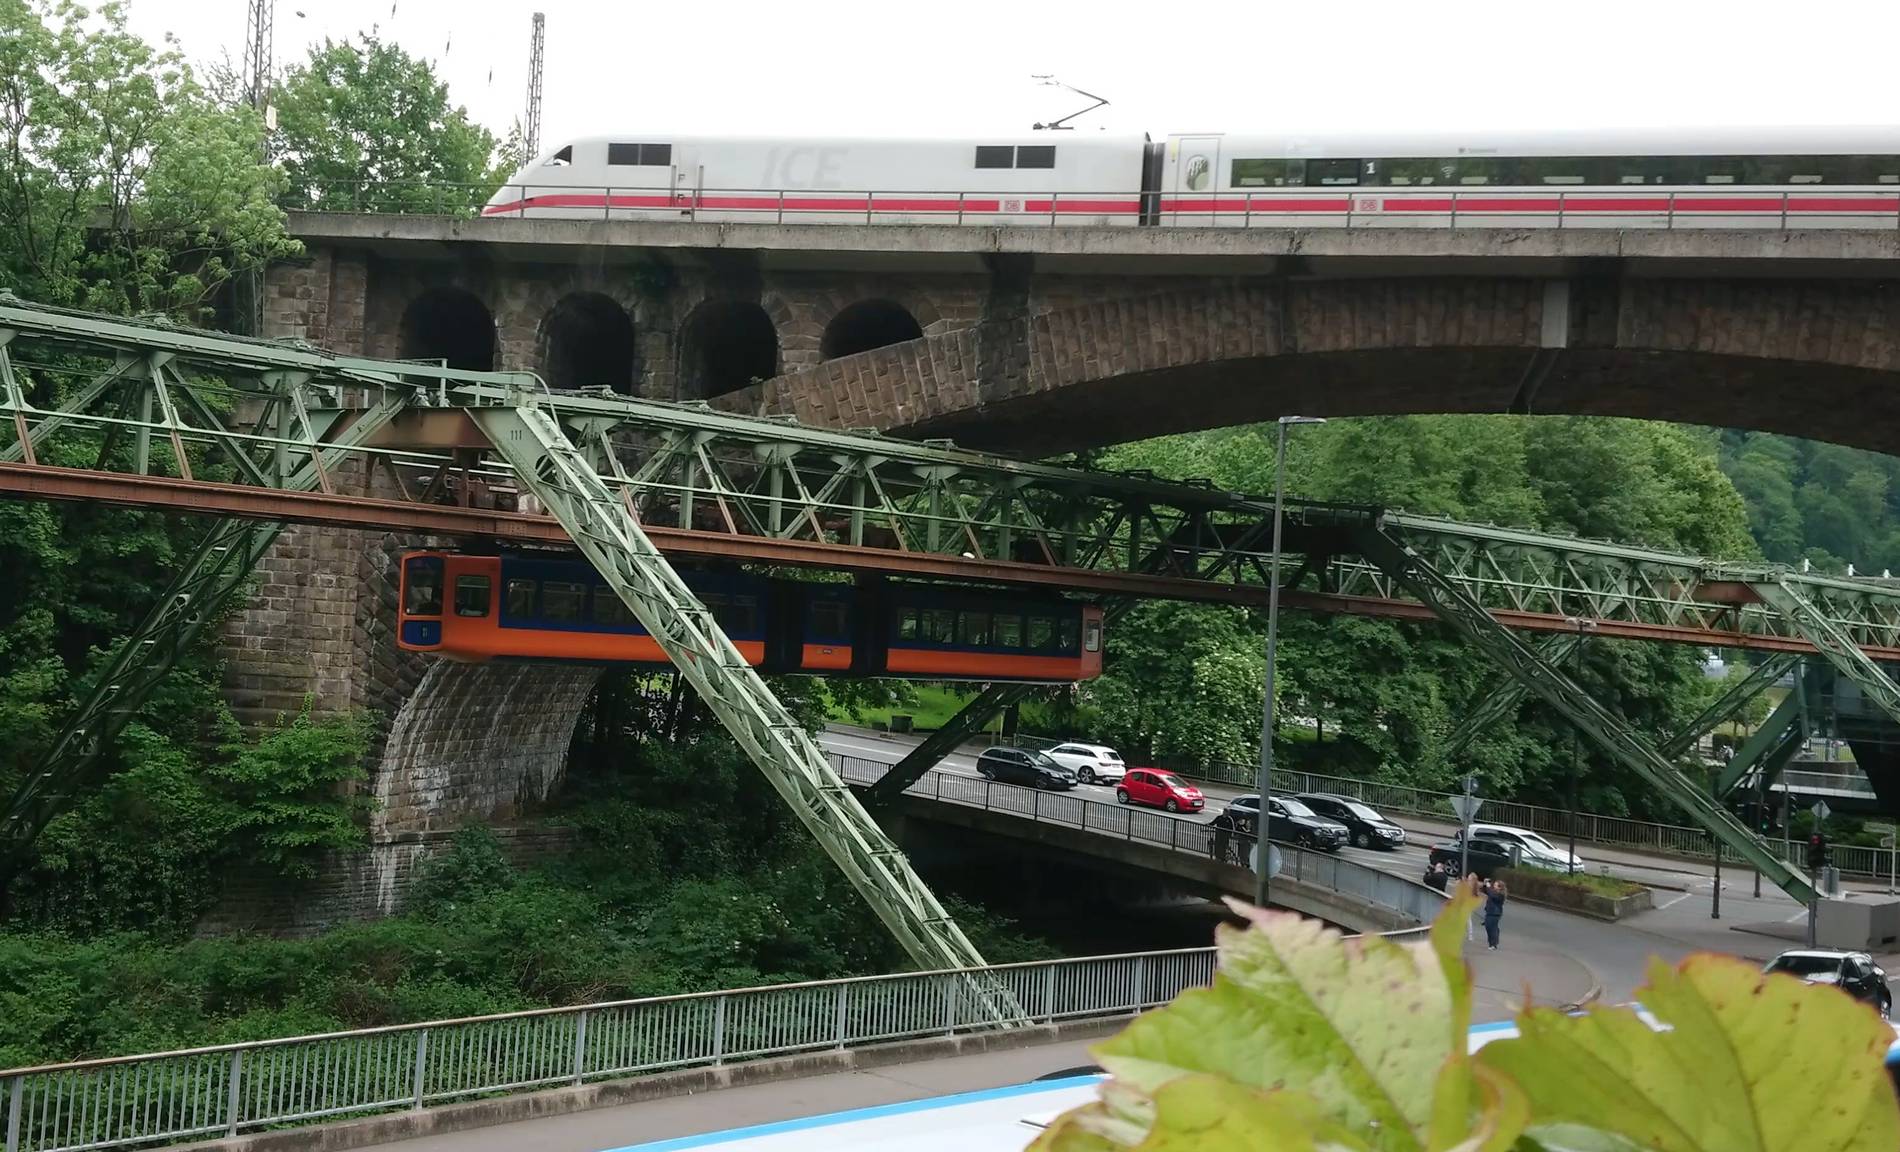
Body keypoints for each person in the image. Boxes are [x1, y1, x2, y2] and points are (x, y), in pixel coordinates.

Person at [1481, 878, 1508, 950]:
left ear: (1500, 887)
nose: (1494, 886)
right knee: (1488, 927)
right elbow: (1485, 891)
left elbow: (1492, 895)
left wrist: (1488, 886)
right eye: (1494, 885)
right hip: (1489, 911)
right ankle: (1492, 943)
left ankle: (1493, 944)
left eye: (1496, 885)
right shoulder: (1493, 892)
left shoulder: (1500, 895)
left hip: (1495, 913)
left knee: (1492, 928)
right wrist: (1485, 884)